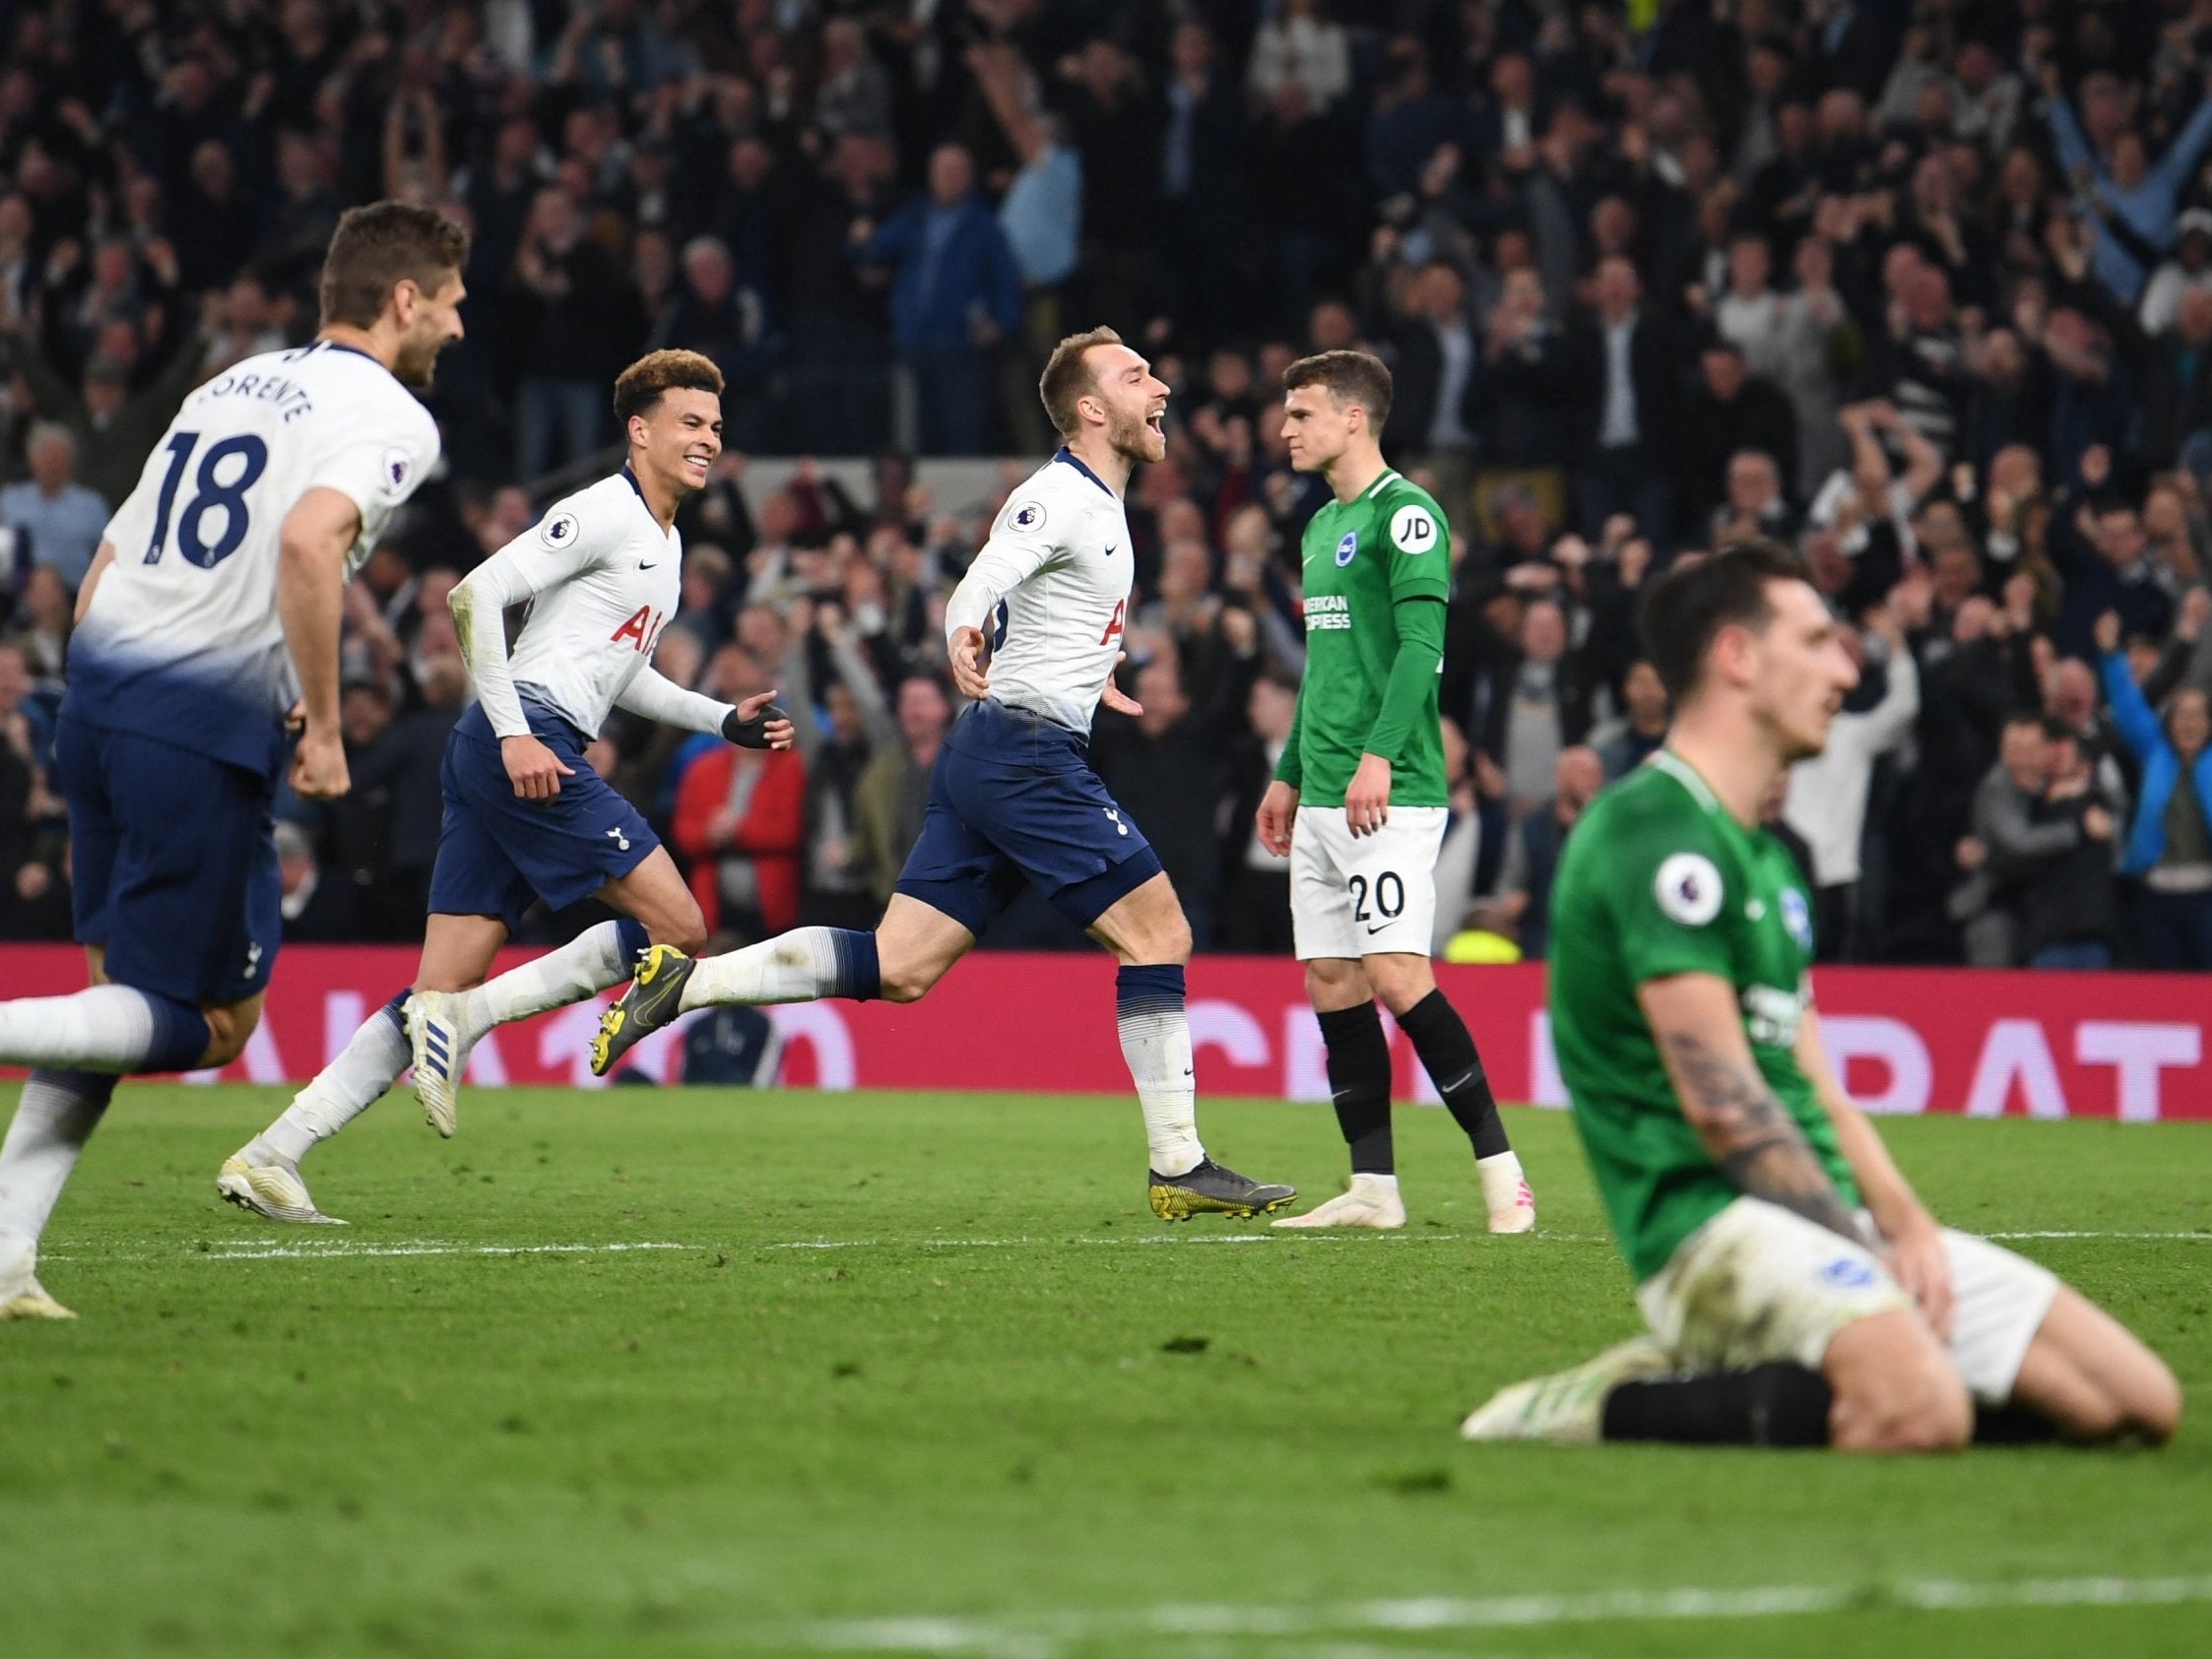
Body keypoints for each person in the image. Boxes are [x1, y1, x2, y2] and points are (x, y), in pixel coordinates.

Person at [1463, 542, 2180, 1450]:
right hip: (1710, 1232)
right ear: (1739, 657)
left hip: (1825, 1223)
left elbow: (1820, 1087)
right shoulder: (1650, 829)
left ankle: (1806, 1367)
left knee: (2131, 1403)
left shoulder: (1769, 857)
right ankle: (1611, 1405)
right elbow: (1725, 1108)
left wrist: (1909, 1227)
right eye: (1819, 640)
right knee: (1919, 1410)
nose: (1846, 668)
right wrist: (1863, 1244)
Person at [588, 328, 1293, 1221]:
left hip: (996, 751)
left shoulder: (1104, 506)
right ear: (1088, 407)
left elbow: (1050, 609)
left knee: (901, 967)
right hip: (1024, 756)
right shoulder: (1059, 494)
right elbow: (987, 576)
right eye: (1136, 375)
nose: (1159, 386)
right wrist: (964, 628)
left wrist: (1092, 669)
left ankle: (688, 981)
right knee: (1160, 935)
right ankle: (1178, 1162)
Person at [0, 203, 470, 1319]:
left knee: (121, 997)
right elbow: (310, 541)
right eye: (450, 302)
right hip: (195, 727)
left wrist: (110, 690)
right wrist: (321, 722)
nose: (458, 325)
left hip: (104, 697)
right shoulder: (389, 412)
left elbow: (112, 550)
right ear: (404, 299)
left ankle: (8, 1256)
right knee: (213, 1019)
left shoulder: (229, 384)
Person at [218, 351, 793, 1226]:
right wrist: (518, 731)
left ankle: (272, 1153)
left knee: (430, 994)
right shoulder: (604, 509)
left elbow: (621, 674)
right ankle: (473, 1019)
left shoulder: (667, 544)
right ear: (639, 431)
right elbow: (474, 595)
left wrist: (722, 721)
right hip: (521, 740)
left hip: (510, 742)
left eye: (715, 426)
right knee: (680, 926)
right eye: (690, 422)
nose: (709, 439)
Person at [1254, 350, 1534, 1233]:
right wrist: (1288, 770)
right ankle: (1373, 1187)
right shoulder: (1316, 527)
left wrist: (1378, 756)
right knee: (1333, 978)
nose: (1286, 428)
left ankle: (1504, 1176)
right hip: (1324, 792)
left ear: (1352, 418)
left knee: (1396, 972)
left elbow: (1422, 650)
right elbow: (1323, 669)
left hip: (1393, 789)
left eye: (1302, 413)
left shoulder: (1407, 516)